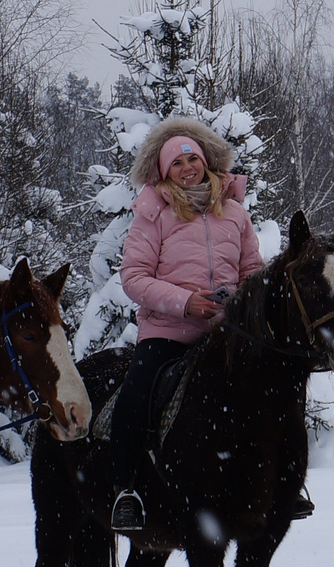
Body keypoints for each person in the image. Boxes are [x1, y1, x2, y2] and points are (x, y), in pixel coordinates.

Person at [109, 119, 270, 531]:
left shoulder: (234, 212)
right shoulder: (152, 214)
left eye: (193, 158)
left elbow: (253, 271)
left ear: (207, 162)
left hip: (228, 334)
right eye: (177, 162)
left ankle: (279, 483)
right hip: (168, 332)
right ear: (164, 171)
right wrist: (185, 303)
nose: (187, 168)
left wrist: (241, 301)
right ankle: (127, 490)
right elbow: (134, 277)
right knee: (135, 397)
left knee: (274, 387)